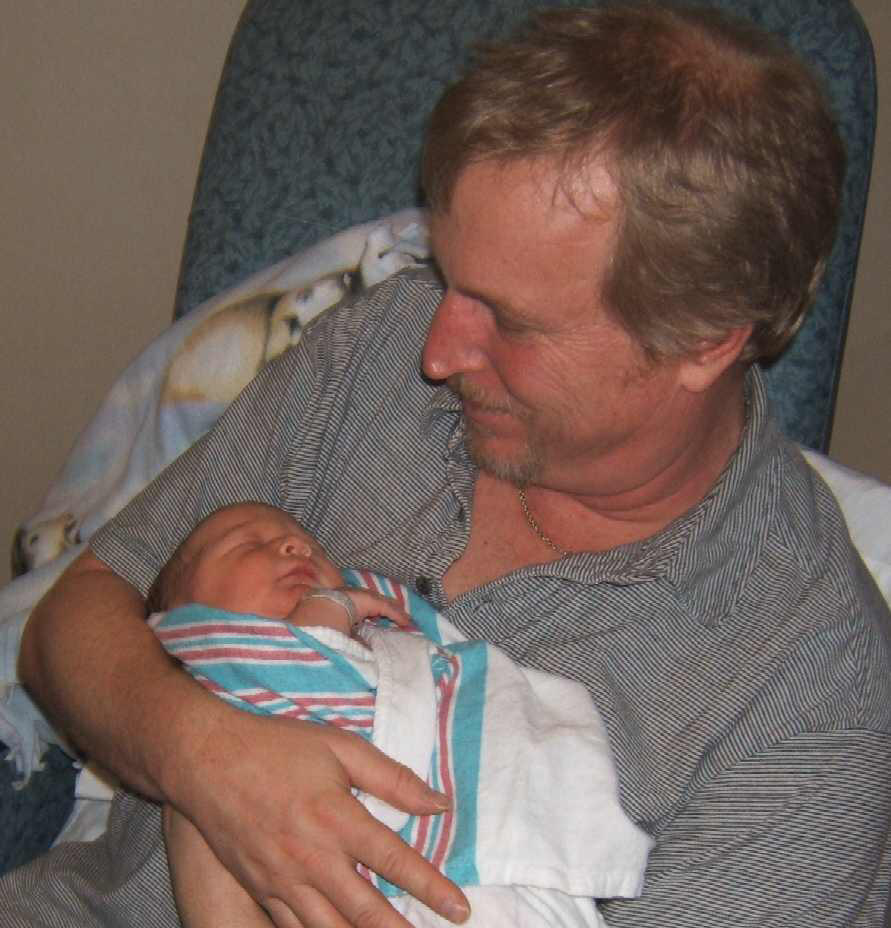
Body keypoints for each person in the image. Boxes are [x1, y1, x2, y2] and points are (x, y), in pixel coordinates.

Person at [6, 3, 891, 927]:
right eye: (450, 276)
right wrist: (209, 758)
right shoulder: (382, 346)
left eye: (509, 320)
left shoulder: (806, 695)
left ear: (703, 339)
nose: (436, 352)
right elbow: (74, 619)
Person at [147, 501, 651, 928]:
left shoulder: (373, 646)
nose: (293, 545)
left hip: (470, 875)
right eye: (246, 544)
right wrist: (329, 610)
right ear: (187, 615)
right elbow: (308, 664)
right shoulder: (224, 661)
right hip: (399, 892)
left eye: (308, 544)